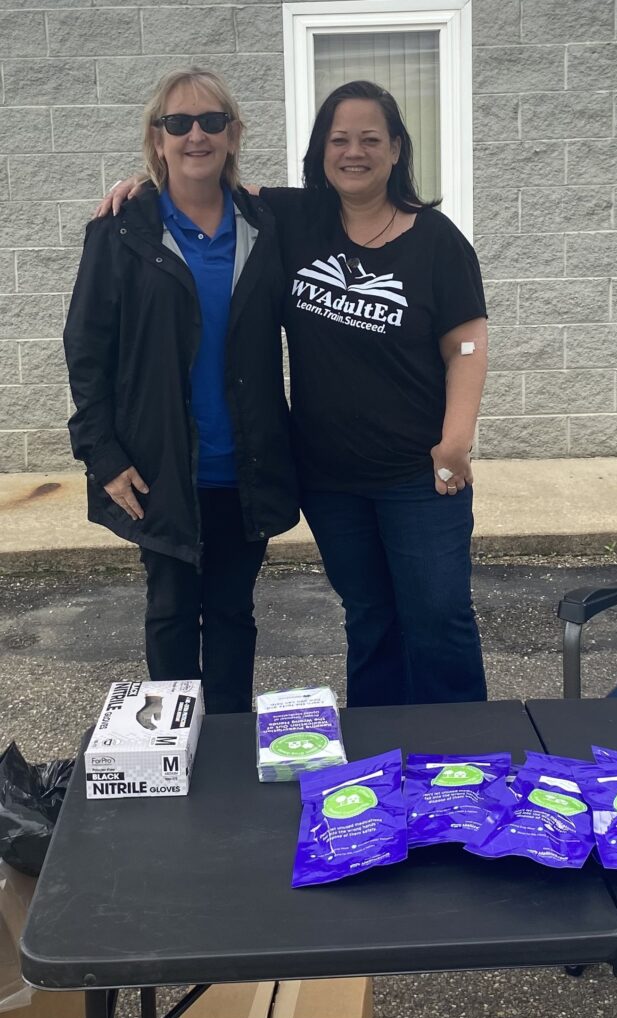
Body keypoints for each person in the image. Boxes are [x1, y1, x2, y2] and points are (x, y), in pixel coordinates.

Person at [97, 79, 488, 709]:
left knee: (437, 618)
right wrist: (141, 187)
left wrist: (455, 442)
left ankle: (462, 752)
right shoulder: (297, 219)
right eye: (339, 140)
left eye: (370, 139)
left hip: (418, 471)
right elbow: (200, 177)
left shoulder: (435, 238)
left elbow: (466, 342)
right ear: (320, 152)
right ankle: (381, 743)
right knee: (369, 616)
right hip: (329, 477)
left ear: (396, 149)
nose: (353, 152)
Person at [65, 68, 298, 714]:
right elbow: (86, 350)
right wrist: (102, 455)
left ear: (233, 134)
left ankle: (226, 742)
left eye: (212, 122)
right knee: (169, 610)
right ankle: (174, 745)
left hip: (245, 464)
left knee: (232, 611)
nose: (197, 135)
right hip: (160, 465)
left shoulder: (266, 224)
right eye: (179, 123)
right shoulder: (121, 230)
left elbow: (341, 198)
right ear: (157, 137)